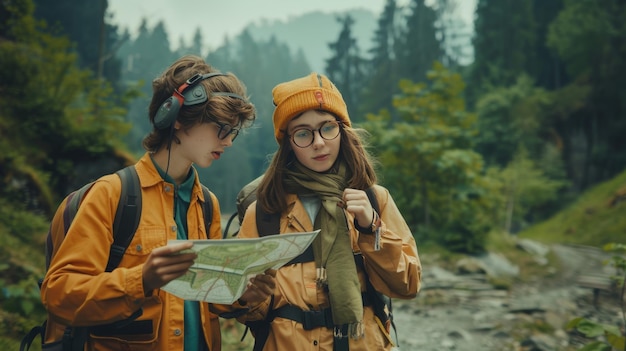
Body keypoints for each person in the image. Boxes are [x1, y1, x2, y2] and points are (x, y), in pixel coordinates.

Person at [40, 55, 276, 351]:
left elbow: (206, 299)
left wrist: (243, 293)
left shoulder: (206, 205)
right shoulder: (111, 195)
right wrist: (142, 279)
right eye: (221, 128)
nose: (228, 141)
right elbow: (59, 295)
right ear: (176, 117)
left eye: (233, 132)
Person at [236, 72, 421, 351]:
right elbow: (241, 306)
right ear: (288, 143)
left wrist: (371, 228)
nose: (319, 142)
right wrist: (247, 296)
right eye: (303, 133)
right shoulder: (265, 211)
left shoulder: (375, 199)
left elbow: (408, 284)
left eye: (327, 128)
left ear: (341, 130)